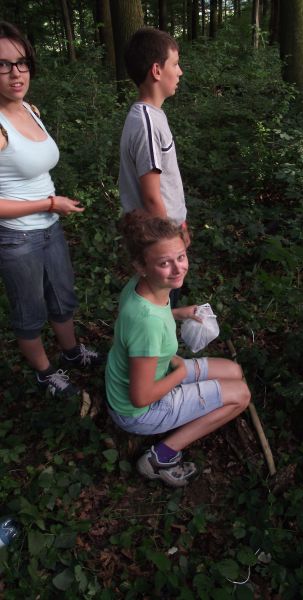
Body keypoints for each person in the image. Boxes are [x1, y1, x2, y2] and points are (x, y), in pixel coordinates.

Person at [105, 214, 251, 488]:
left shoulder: (142, 289)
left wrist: (176, 313)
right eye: (164, 263)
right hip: (139, 412)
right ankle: (160, 458)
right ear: (141, 265)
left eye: (181, 257)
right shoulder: (147, 323)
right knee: (241, 395)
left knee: (234, 371)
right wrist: (181, 370)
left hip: (147, 372)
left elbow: (144, 324)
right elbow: (141, 397)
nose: (177, 269)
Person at [0, 21, 102, 398]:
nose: (15, 73)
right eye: (3, 64)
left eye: (22, 62)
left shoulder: (29, 108)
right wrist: (47, 202)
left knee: (62, 296)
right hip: (15, 238)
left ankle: (72, 353)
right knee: (30, 311)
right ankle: (45, 373)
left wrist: (51, 207)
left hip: (50, 226)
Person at [119, 27, 188, 307]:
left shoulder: (152, 116)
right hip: (159, 242)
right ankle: (156, 351)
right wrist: (174, 241)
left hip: (165, 234)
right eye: (175, 64)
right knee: (160, 305)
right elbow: (150, 195)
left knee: (165, 305)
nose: (180, 71)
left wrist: (181, 224)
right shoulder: (146, 124)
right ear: (157, 71)